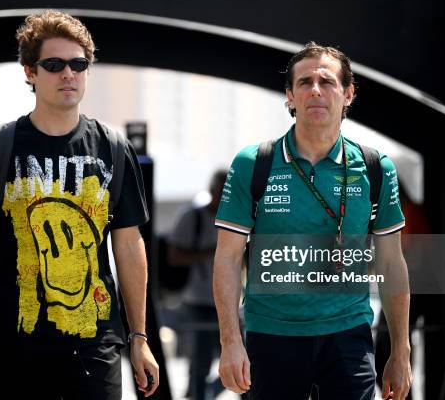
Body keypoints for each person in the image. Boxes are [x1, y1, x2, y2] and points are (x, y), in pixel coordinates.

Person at [0, 10, 159, 399]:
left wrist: (139, 337)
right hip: (12, 342)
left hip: (94, 342)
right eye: (54, 64)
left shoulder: (113, 149)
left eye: (79, 64)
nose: (68, 74)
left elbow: (128, 245)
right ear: (30, 72)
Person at [213, 42, 412, 400]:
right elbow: (227, 258)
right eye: (304, 82)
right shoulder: (252, 164)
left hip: (349, 334)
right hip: (271, 336)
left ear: (348, 94)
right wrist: (230, 342)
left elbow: (391, 262)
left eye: (327, 81)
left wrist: (401, 351)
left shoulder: (375, 167)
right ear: (289, 96)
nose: (316, 90)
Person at [168, 169, 227, 400]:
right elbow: (173, 256)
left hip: (231, 299)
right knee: (201, 359)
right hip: (198, 298)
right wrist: (212, 253)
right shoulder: (192, 217)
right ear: (213, 189)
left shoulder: (236, 218)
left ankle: (209, 391)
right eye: (221, 189)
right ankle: (200, 393)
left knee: (243, 357)